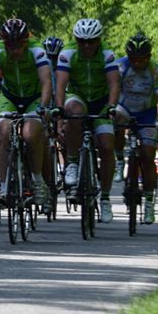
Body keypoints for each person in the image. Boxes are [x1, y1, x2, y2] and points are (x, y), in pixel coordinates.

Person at [0, 19, 52, 208]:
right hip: (9, 96)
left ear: (26, 41)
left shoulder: (37, 51)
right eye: (10, 46)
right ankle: (3, 188)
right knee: (4, 133)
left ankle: (38, 181)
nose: (15, 51)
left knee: (29, 134)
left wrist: (43, 107)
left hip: (34, 98)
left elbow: (46, 82)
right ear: (4, 44)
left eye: (19, 46)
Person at [54, 18, 121, 224]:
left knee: (107, 145)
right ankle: (72, 162)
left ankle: (106, 198)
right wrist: (58, 108)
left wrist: (111, 106)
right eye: (82, 40)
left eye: (91, 41)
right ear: (76, 39)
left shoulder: (107, 55)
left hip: (101, 101)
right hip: (78, 97)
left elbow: (114, 84)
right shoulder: (68, 54)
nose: (86, 45)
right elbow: (61, 85)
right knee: (72, 112)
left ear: (99, 40)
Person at [112, 33, 158, 223]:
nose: (138, 63)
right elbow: (112, 90)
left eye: (142, 59)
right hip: (124, 108)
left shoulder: (155, 70)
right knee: (115, 118)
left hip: (146, 113)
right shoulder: (121, 66)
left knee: (148, 156)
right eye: (134, 59)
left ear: (148, 57)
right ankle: (119, 160)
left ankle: (149, 202)